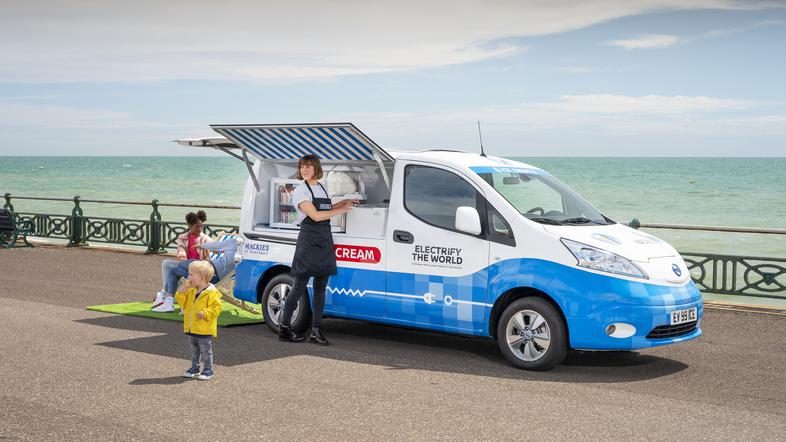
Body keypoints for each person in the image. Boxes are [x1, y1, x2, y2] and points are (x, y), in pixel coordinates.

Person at [278, 154, 356, 346]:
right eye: (302, 166)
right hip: (308, 241)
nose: (304, 170)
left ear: (316, 168)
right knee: (298, 288)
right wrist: (340, 211)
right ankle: (285, 329)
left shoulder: (321, 187)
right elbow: (315, 215)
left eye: (308, 166)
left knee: (321, 289)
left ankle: (316, 330)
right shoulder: (300, 191)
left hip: (324, 240)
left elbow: (325, 208)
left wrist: (344, 202)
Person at [152, 210, 211, 312]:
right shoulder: (183, 237)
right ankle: (167, 294)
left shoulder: (205, 239)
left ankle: (164, 294)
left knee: (174, 270)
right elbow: (181, 252)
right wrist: (184, 261)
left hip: (200, 269)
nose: (200, 229)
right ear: (189, 225)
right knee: (166, 263)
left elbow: (213, 247)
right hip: (186, 266)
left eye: (201, 226)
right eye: (197, 226)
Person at [176, 260, 223, 380]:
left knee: (205, 351)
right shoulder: (191, 290)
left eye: (191, 275)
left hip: (204, 329)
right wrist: (182, 291)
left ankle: (208, 370)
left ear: (201, 278)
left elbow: (217, 308)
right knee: (194, 350)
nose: (188, 277)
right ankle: (195, 368)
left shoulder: (211, 293)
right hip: (192, 327)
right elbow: (182, 303)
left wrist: (205, 313)